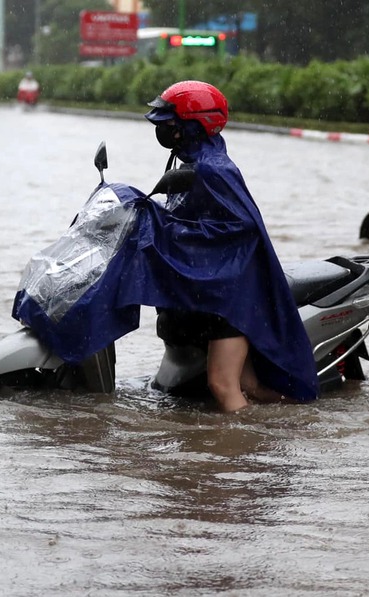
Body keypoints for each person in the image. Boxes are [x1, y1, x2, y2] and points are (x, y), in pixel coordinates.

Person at [137, 81, 318, 411]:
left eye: (169, 123)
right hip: (212, 288)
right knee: (249, 386)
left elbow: (241, 227)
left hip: (230, 292)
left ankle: (239, 455)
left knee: (222, 385)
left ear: (192, 125)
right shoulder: (191, 161)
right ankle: (299, 421)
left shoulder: (212, 169)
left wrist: (177, 235)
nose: (163, 130)